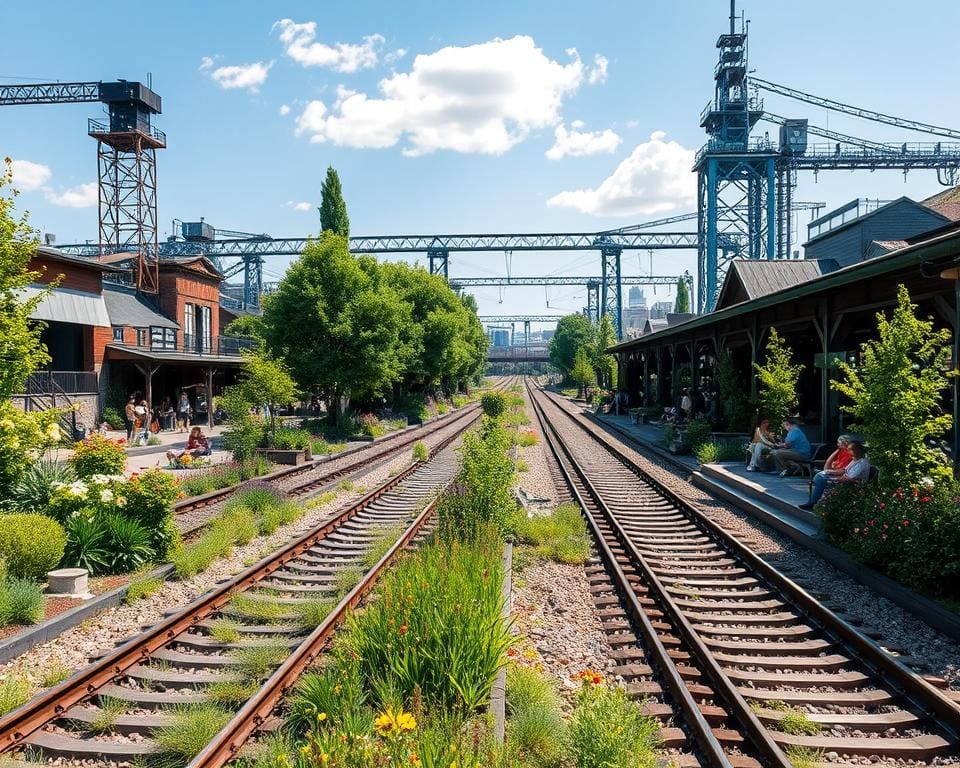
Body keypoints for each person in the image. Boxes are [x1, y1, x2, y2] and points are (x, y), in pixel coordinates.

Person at [800, 442, 870, 509]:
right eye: (848, 449)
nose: (848, 451)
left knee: (821, 480)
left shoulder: (862, 463)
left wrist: (833, 479)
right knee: (820, 476)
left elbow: (849, 478)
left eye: (851, 449)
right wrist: (830, 472)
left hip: (852, 484)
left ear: (859, 450)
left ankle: (813, 502)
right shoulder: (854, 460)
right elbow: (844, 471)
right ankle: (813, 502)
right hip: (845, 481)